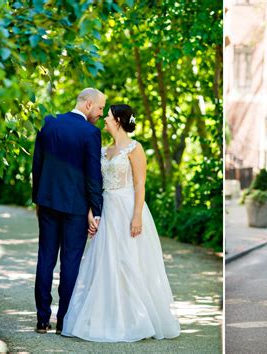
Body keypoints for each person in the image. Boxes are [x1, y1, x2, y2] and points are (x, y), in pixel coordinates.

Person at [62, 104, 180, 342]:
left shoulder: (135, 149)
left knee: (129, 262)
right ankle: (106, 317)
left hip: (127, 209)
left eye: (107, 115)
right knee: (105, 263)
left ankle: (136, 319)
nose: (104, 118)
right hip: (106, 210)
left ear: (117, 120)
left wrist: (137, 215)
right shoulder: (104, 150)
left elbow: (139, 184)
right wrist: (90, 213)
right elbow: (94, 185)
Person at [32, 88, 106, 334]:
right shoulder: (90, 133)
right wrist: (96, 210)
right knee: (70, 262)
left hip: (48, 202)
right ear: (87, 105)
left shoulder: (49, 124)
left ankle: (42, 319)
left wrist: (37, 200)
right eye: (99, 108)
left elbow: (37, 164)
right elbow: (93, 175)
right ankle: (64, 320)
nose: (100, 113)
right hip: (75, 207)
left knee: (45, 258)